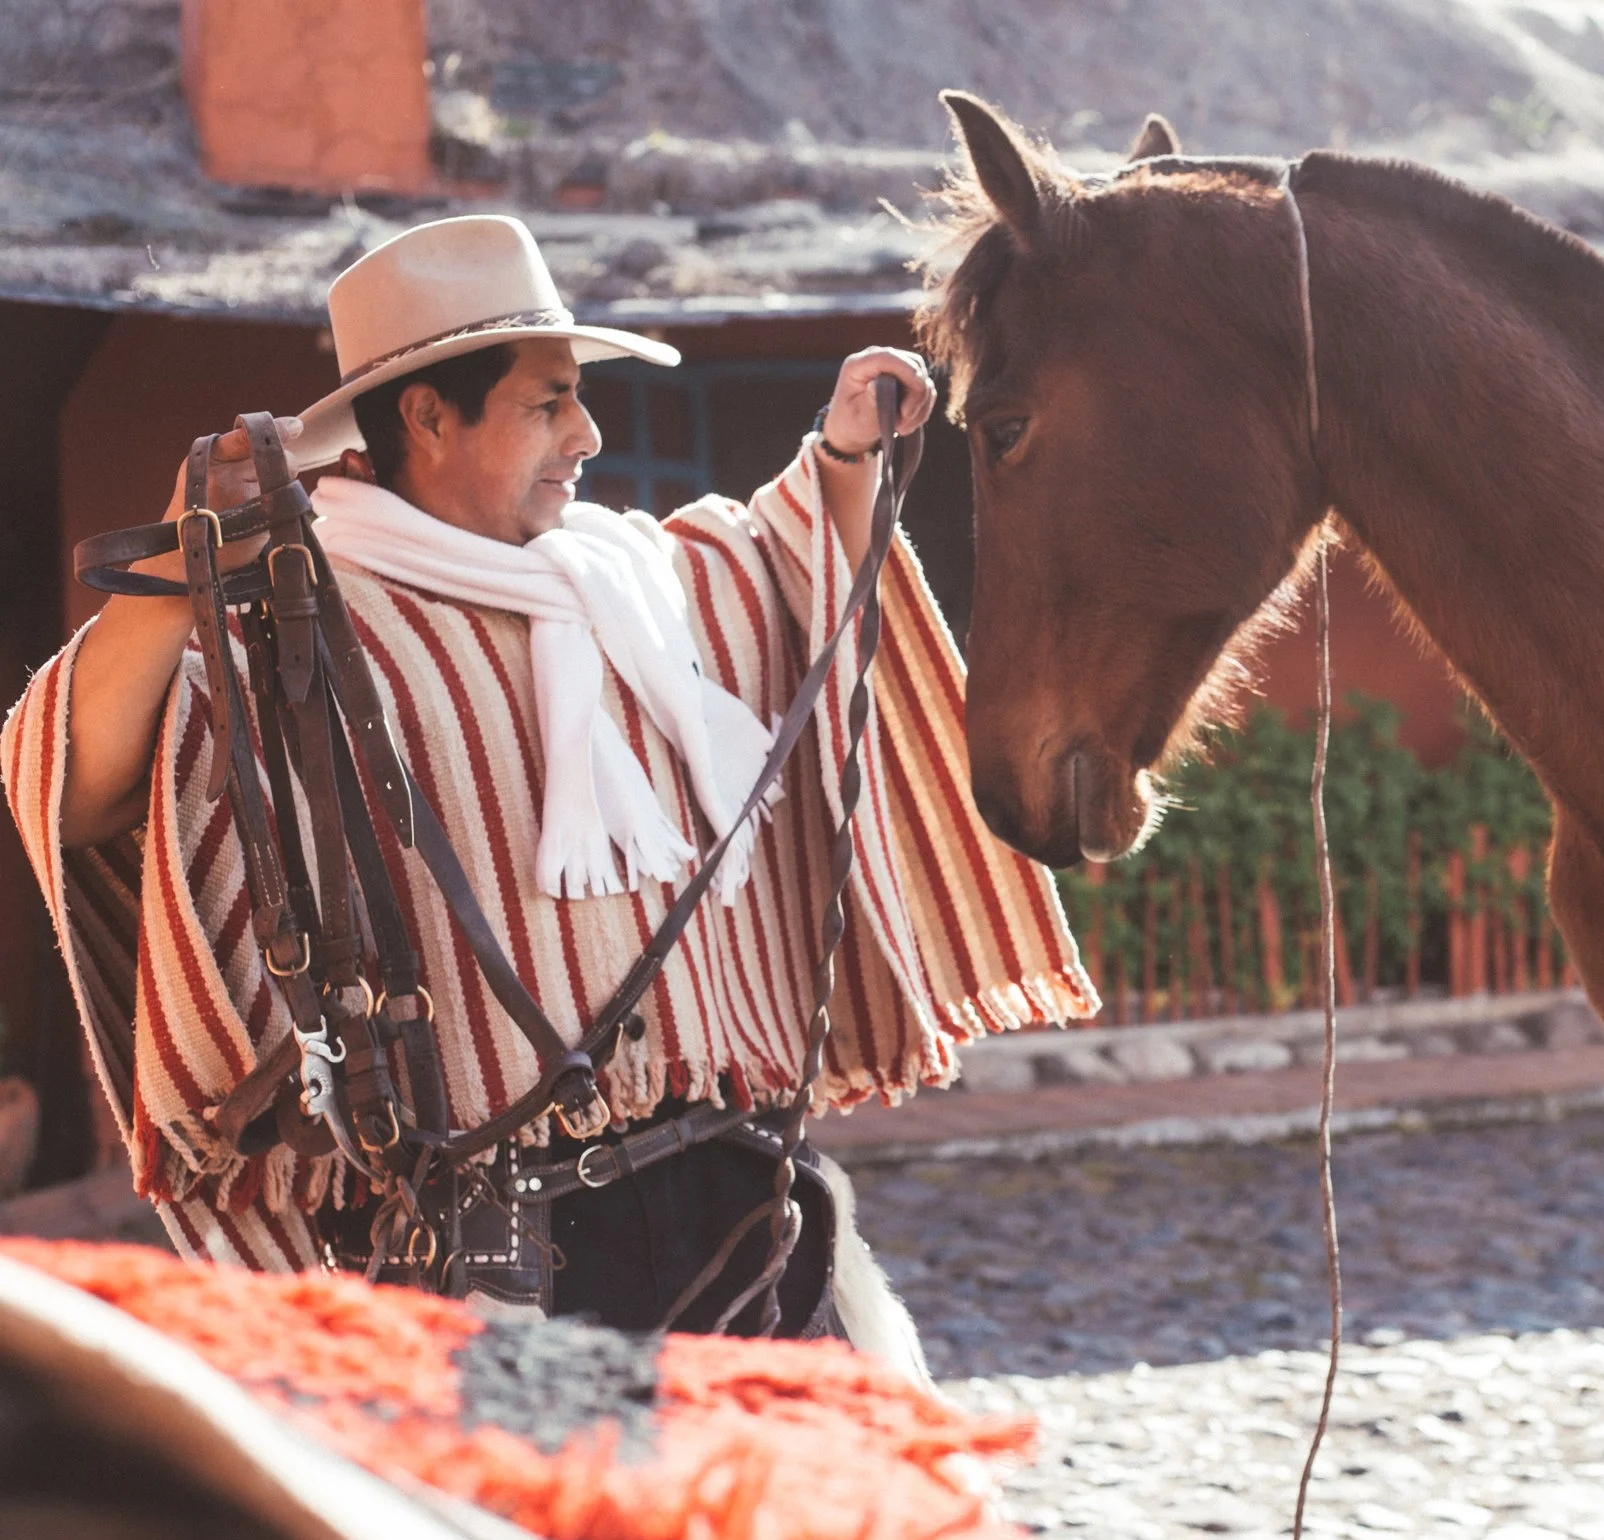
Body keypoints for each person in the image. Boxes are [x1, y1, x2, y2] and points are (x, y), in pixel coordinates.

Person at [3, 215, 1093, 1359]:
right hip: (512, 1249)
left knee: (806, 1516)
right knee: (575, 1532)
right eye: (546, 401)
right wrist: (185, 560)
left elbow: (783, 559)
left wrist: (842, 448)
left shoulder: (633, 582)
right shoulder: (300, 630)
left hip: (749, 1196)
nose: (586, 431)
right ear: (428, 414)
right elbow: (70, 789)